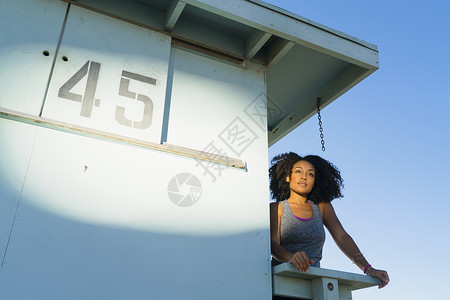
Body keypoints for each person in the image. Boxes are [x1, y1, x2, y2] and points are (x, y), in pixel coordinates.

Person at [269, 152, 389, 290]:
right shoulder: (276, 208)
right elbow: (272, 244)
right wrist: (291, 257)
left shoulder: (322, 207)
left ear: (314, 182)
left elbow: (342, 237)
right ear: (288, 177)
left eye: (310, 174)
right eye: (298, 171)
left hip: (313, 283)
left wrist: (368, 269)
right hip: (281, 282)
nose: (304, 176)